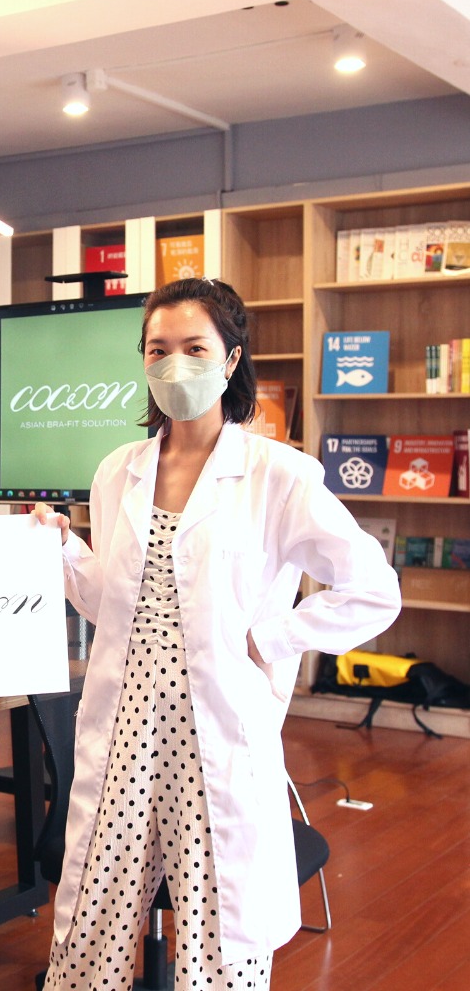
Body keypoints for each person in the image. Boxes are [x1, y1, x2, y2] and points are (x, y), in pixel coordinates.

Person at [34, 277, 400, 990]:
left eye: (195, 348)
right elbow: (114, 601)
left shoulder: (278, 474)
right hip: (123, 729)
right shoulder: (118, 472)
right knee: (92, 927)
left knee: (217, 940)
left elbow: (373, 591)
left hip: (216, 734)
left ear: (231, 359)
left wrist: (273, 637)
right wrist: (63, 550)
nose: (175, 364)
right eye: (158, 349)